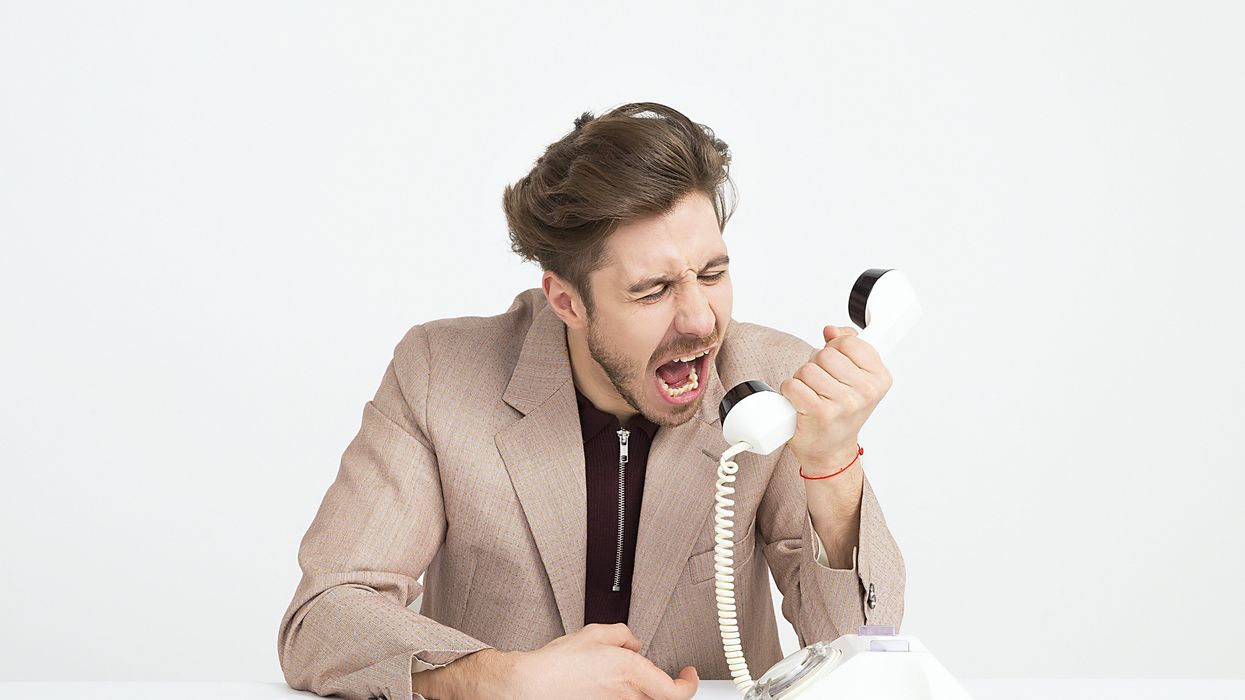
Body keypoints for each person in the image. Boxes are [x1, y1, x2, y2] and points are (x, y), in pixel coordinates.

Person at [277, 102, 905, 700]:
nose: (699, 320)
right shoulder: (441, 373)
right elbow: (324, 616)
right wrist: (502, 680)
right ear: (567, 302)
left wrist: (831, 465)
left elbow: (861, 649)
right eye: (653, 289)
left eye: (712, 274)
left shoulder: (769, 377)